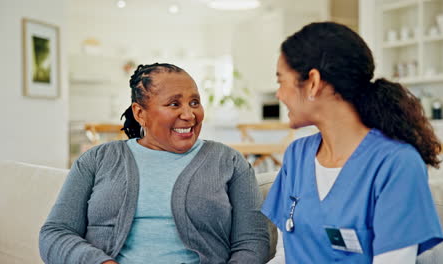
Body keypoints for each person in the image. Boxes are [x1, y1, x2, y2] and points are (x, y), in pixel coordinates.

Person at [39, 63, 270, 264]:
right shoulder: (97, 160)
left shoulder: (229, 162)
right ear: (140, 113)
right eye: (174, 104)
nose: (189, 115)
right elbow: (55, 233)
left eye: (194, 102)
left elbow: (252, 242)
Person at [261, 22, 443, 263]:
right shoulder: (297, 155)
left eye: (281, 81)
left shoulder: (396, 164)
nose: (279, 94)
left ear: (313, 82)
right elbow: (285, 255)